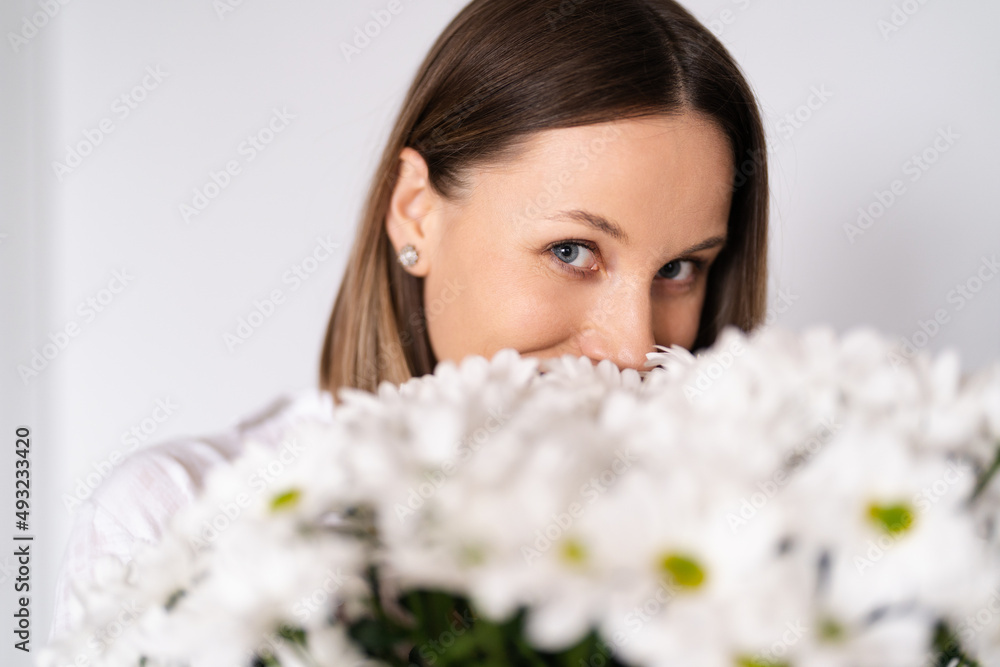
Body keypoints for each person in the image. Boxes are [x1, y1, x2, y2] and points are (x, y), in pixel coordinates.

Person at [48, 0, 769, 644]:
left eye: (680, 269)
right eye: (572, 250)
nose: (635, 346)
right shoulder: (170, 524)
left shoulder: (758, 542)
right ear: (415, 211)